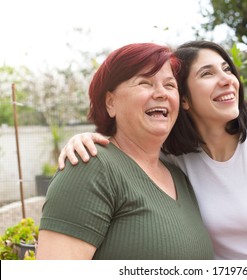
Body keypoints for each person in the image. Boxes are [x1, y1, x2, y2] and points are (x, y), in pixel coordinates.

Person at [58, 41, 247, 260]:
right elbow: (130, 145)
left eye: (227, 69)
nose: (227, 80)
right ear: (185, 99)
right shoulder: (176, 159)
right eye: (207, 73)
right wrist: (86, 138)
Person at [36, 43, 214, 260]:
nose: (161, 94)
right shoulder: (89, 167)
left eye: (169, 85)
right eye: (145, 83)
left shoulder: (179, 175)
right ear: (111, 102)